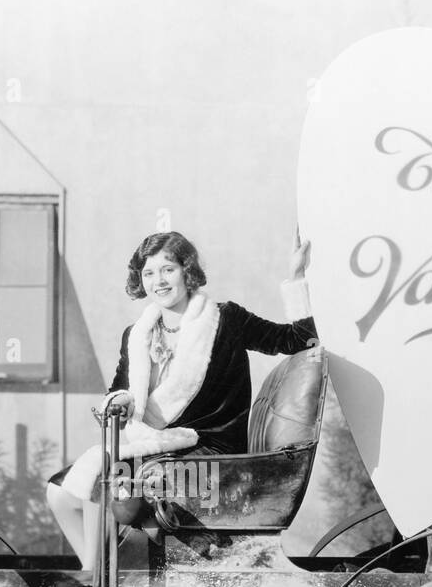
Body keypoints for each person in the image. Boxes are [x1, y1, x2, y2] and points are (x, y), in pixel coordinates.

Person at [46, 229, 316, 568]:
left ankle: (94, 585)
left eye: (167, 269)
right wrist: (120, 402)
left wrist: (296, 278)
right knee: (58, 494)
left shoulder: (225, 320)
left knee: (101, 482)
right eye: (148, 273)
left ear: (187, 271)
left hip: (210, 454)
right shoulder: (137, 335)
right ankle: (102, 574)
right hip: (158, 448)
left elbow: (298, 340)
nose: (158, 280)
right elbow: (118, 388)